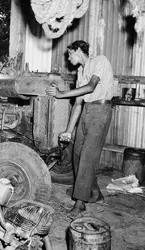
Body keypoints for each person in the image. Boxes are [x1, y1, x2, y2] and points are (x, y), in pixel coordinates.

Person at [46, 40, 114, 217]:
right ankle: (92, 192)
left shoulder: (100, 60)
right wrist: (68, 130)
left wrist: (61, 94)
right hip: (86, 111)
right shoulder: (81, 71)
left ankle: (80, 203)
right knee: (77, 153)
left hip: (101, 110)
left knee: (87, 156)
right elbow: (78, 103)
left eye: (70, 54)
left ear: (78, 50)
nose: (68, 58)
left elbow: (91, 86)